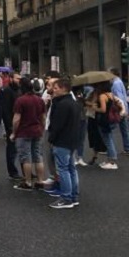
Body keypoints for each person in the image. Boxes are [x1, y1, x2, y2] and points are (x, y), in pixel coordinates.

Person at [47, 76, 81, 209]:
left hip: (62, 141)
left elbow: (57, 125)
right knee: (71, 168)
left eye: (56, 88)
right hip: (72, 140)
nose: (53, 90)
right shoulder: (74, 103)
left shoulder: (61, 104)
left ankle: (66, 198)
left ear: (64, 89)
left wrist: (51, 139)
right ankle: (74, 196)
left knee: (63, 169)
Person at [11, 76, 46, 191]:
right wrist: (42, 128)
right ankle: (40, 181)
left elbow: (16, 119)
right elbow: (43, 117)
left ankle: (28, 182)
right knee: (38, 156)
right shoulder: (39, 100)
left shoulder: (20, 100)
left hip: (24, 131)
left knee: (26, 157)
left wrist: (13, 132)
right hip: (37, 130)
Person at [92, 80, 119, 170]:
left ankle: (112, 161)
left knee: (108, 140)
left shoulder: (102, 96)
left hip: (104, 120)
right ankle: (109, 160)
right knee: (109, 138)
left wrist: (95, 108)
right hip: (111, 119)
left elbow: (103, 109)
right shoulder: (110, 94)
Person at [109, 68, 129, 155]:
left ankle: (109, 148)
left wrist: (121, 110)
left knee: (109, 128)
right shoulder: (119, 82)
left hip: (119, 109)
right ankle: (127, 148)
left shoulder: (115, 84)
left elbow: (119, 97)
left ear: (113, 74)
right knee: (124, 129)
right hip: (123, 108)